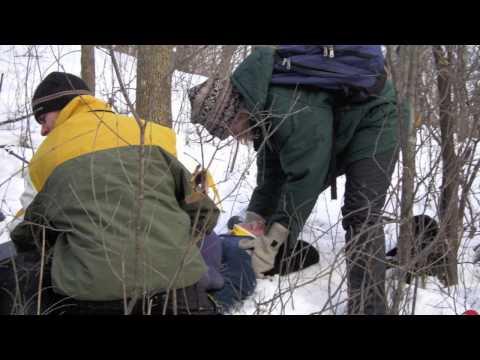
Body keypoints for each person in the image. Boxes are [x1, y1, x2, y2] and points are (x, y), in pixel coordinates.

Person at [188, 45, 402, 315]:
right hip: (341, 126)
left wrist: (273, 244)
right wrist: (253, 219)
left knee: (362, 214)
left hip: (377, 119)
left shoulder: (285, 106)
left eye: (227, 129)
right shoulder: (261, 107)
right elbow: (269, 179)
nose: (231, 135)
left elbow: (306, 179)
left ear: (234, 112)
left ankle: (368, 308)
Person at [4, 71, 221, 315]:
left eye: (43, 118)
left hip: (93, 297)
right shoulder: (156, 134)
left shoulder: (46, 157)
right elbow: (204, 211)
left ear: (61, 106)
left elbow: (28, 234)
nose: (43, 130)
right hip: (181, 288)